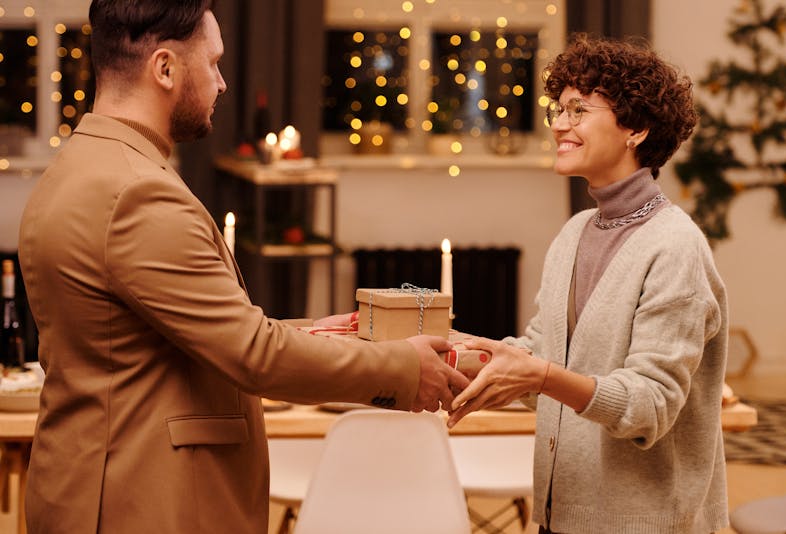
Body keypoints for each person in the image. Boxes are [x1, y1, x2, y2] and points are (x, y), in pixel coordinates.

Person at [18, 2, 469, 533]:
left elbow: (174, 337)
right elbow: (253, 353)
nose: (222, 82)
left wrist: (320, 334)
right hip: (141, 498)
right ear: (164, 68)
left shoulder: (79, 167)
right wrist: (404, 369)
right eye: (212, 63)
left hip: (88, 484)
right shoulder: (137, 192)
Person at [448, 33, 729, 533]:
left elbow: (650, 405)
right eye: (558, 109)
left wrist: (539, 375)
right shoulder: (575, 233)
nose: (559, 124)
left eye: (578, 110)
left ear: (636, 128)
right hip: (560, 516)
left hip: (644, 525)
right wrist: (457, 354)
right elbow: (545, 355)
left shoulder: (675, 247)